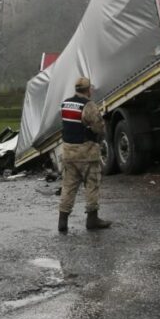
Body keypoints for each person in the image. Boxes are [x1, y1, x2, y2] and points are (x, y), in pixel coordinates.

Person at [57, 77, 111, 232]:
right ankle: (92, 219)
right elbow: (99, 127)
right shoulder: (89, 105)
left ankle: (62, 220)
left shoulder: (65, 104)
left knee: (68, 187)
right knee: (92, 185)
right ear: (88, 90)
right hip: (86, 153)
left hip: (68, 152)